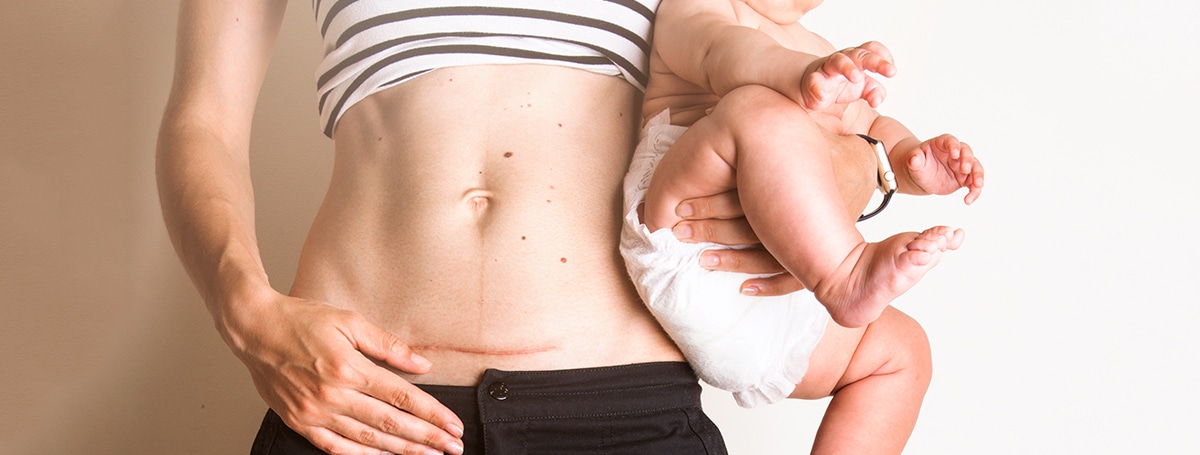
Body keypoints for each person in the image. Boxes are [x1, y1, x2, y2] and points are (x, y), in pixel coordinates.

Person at [156, 0, 887, 454]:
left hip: (618, 412)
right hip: (358, 412)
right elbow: (203, 121)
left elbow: (820, 100)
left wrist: (866, 170)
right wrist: (247, 313)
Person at [620, 0, 985, 451]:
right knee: (756, 106)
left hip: (781, 287)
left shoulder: (819, 48)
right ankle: (845, 271)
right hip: (688, 234)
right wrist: (806, 75)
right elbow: (726, 54)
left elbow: (868, 128)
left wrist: (911, 162)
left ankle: (843, 273)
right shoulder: (696, 6)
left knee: (902, 352)